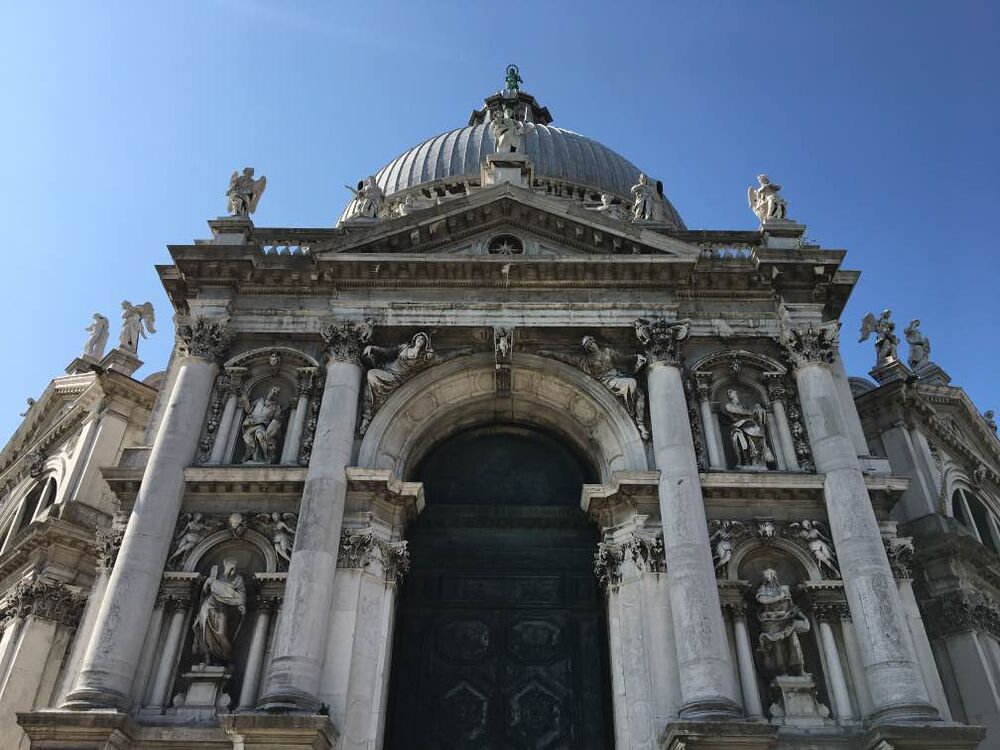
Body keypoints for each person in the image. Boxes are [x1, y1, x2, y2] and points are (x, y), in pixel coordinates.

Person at [192, 558, 246, 664]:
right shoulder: (216, 575)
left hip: (222, 610)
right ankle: (207, 657)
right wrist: (208, 583)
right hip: (208, 607)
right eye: (230, 565)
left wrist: (242, 604)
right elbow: (204, 592)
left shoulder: (238, 579)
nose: (232, 569)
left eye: (234, 567)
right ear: (225, 564)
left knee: (221, 633)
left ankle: (225, 656)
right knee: (205, 633)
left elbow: (241, 593)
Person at [722, 388, 774, 468]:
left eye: (734, 393)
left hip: (749, 424)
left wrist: (757, 407)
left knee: (758, 429)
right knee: (753, 430)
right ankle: (756, 456)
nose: (733, 395)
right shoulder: (729, 405)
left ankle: (757, 457)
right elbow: (740, 412)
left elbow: (750, 412)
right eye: (731, 394)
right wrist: (751, 413)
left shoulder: (743, 405)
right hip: (739, 425)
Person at [240, 386, 283, 464]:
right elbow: (249, 410)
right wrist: (246, 401)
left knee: (260, 436)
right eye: (273, 391)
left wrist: (273, 429)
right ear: (269, 390)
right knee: (250, 441)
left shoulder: (276, 406)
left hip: (262, 425)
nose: (273, 393)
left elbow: (277, 419)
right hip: (250, 424)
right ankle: (255, 458)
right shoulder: (259, 401)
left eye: (276, 393)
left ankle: (265, 456)